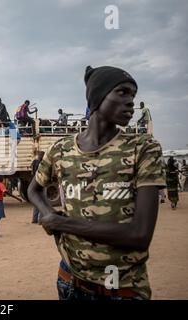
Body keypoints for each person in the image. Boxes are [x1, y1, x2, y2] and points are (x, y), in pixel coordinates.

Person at [28, 65, 166, 300]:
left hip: (122, 290)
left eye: (132, 95)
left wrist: (61, 223)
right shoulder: (61, 149)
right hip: (70, 282)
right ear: (98, 96)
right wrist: (47, 213)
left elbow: (140, 235)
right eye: (122, 92)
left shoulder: (142, 149)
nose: (131, 101)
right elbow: (34, 189)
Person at [31, 151, 44, 224]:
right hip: (40, 183)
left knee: (36, 202)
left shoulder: (34, 162)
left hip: (34, 182)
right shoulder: (42, 164)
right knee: (42, 201)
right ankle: (40, 220)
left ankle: (34, 219)